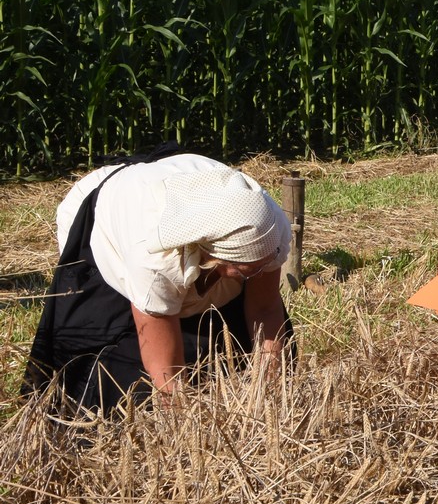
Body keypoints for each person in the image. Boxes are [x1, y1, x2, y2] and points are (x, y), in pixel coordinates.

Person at [24, 149, 293, 414]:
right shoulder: (153, 260)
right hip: (106, 213)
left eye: (263, 266)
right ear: (212, 255)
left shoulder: (268, 229)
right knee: (121, 384)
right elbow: (167, 373)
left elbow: (264, 309)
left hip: (184, 179)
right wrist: (183, 422)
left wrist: (268, 389)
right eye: (247, 271)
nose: (258, 274)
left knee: (233, 357)